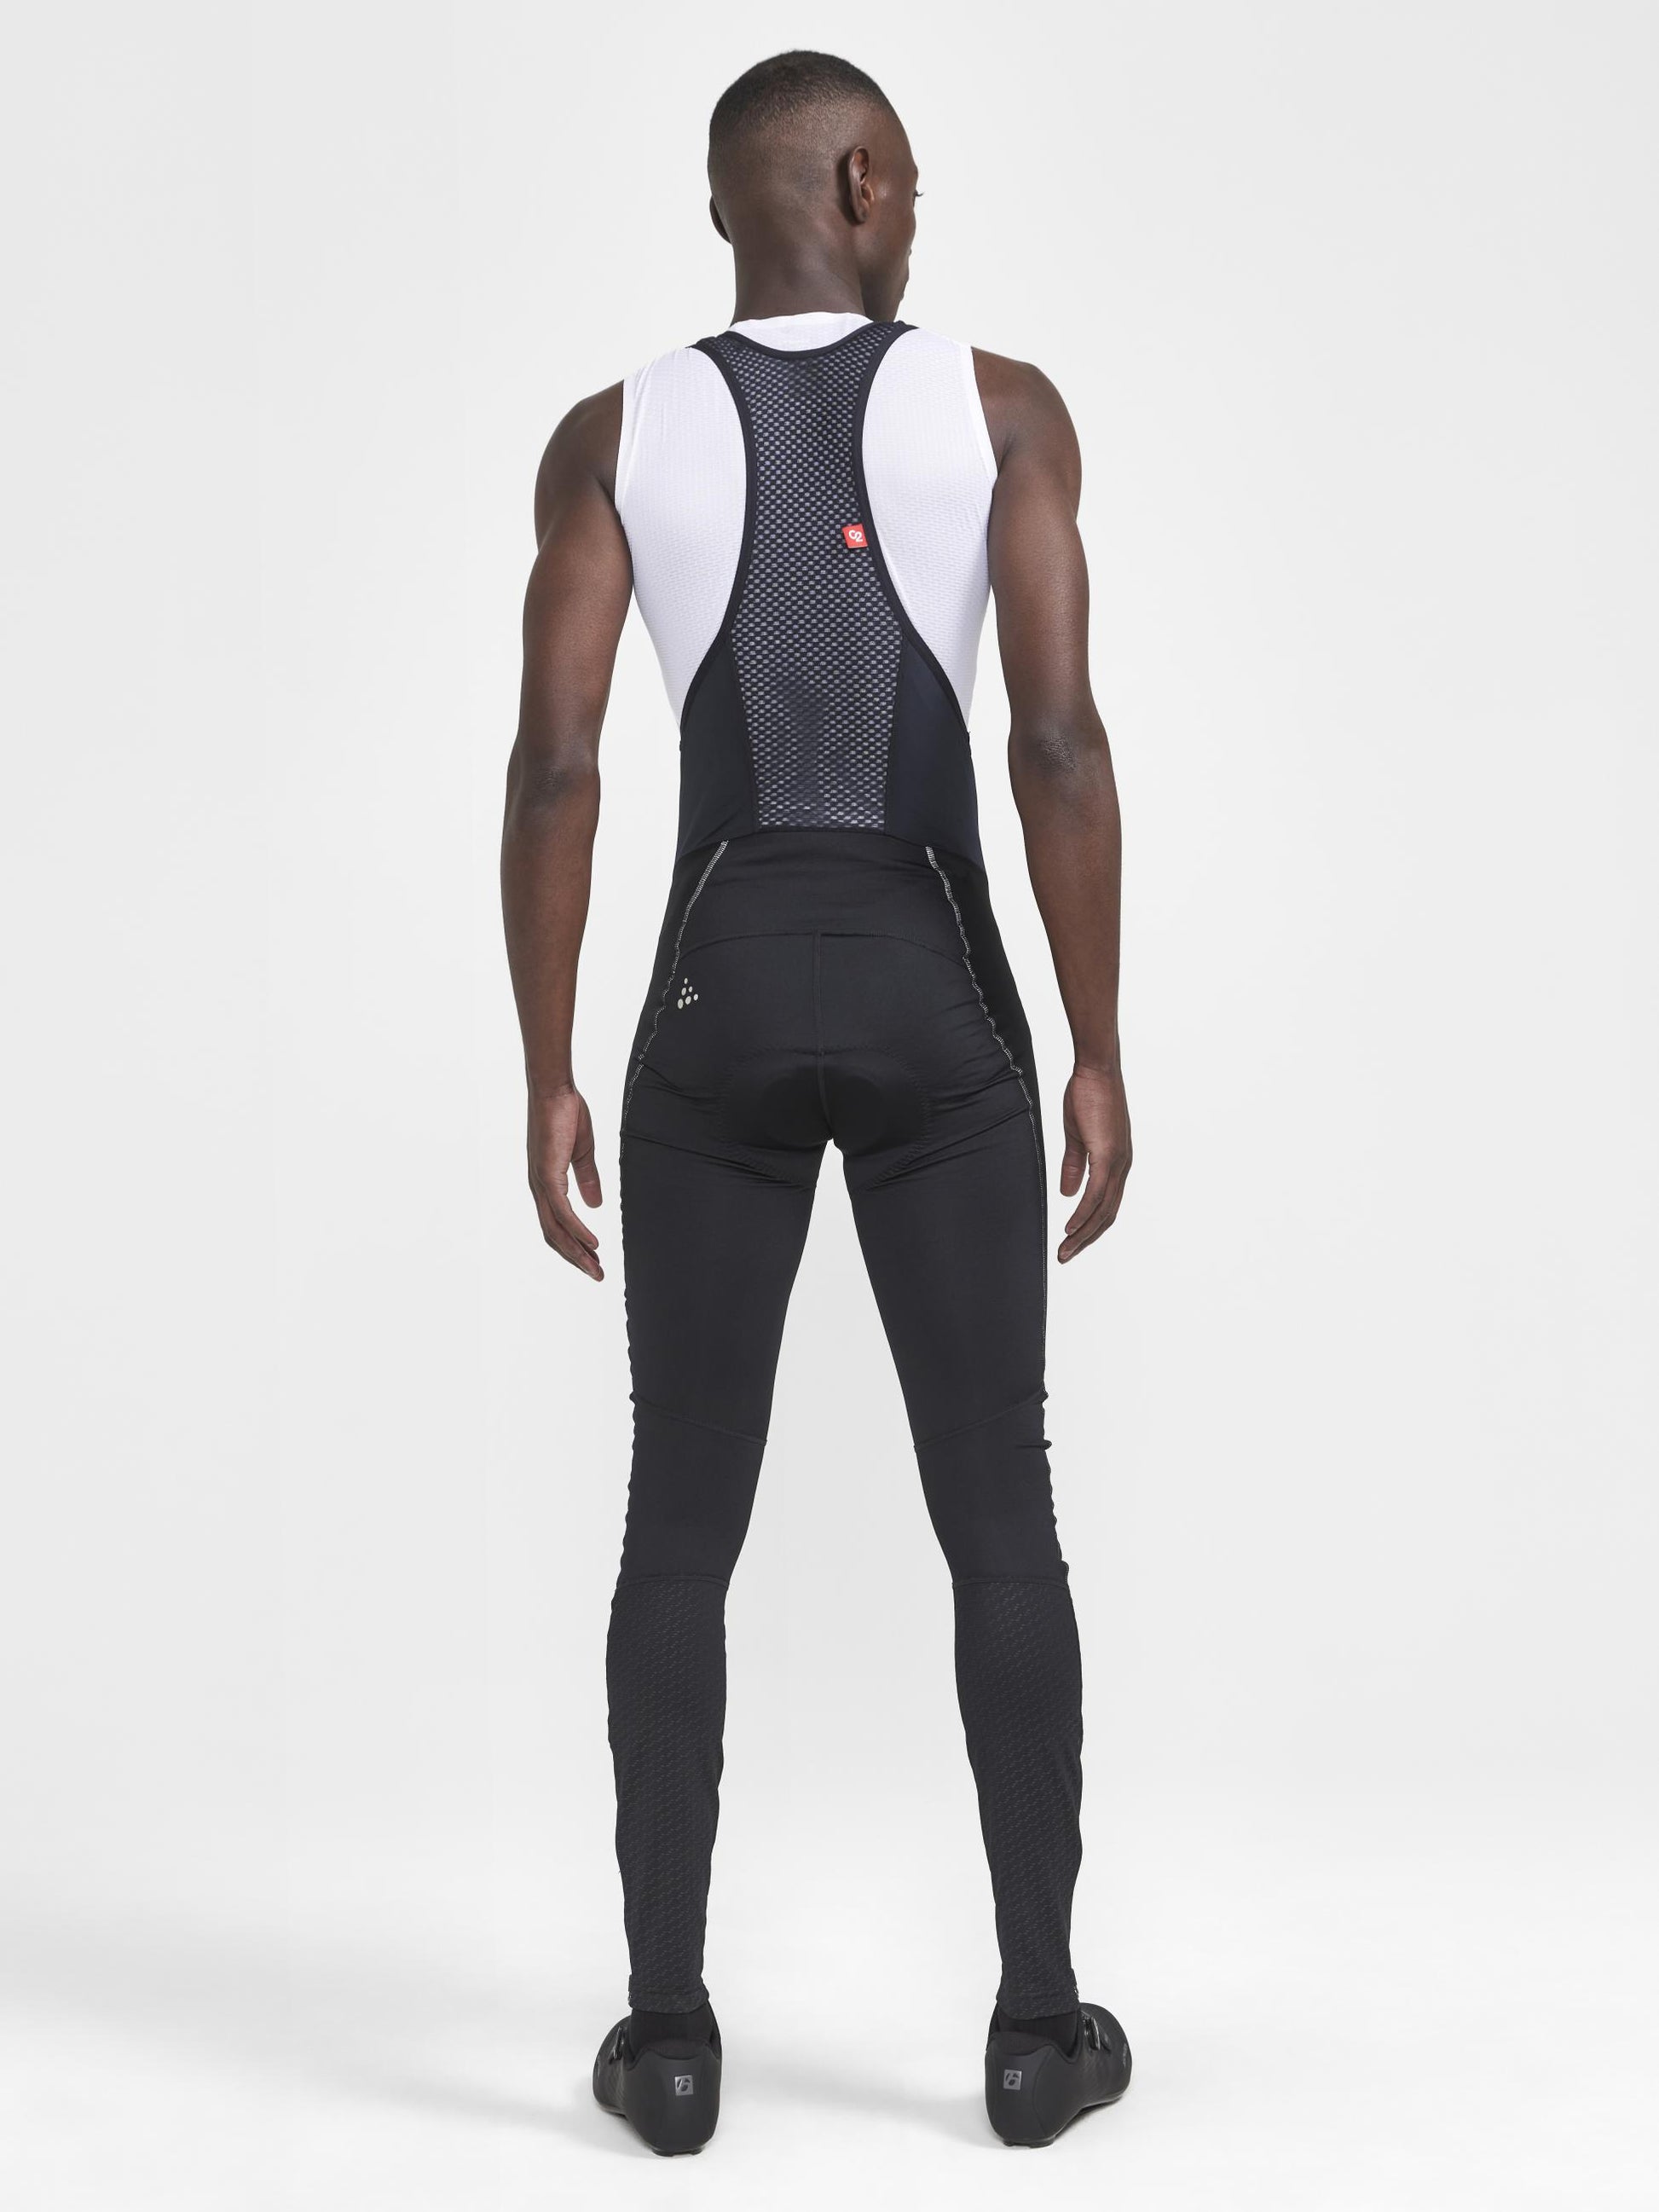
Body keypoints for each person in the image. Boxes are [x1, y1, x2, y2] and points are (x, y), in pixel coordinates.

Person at [501, 49, 1133, 2155]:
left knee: (677, 1519)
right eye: (911, 181)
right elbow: (1054, 738)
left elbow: (558, 766)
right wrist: (1096, 1040)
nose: (916, 214)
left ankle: (667, 2037)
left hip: (714, 1003)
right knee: (999, 1510)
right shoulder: (1005, 410)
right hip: (939, 997)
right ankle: (1036, 2032)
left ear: (728, 207)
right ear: (858, 183)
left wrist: (546, 1063)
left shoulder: (609, 436)